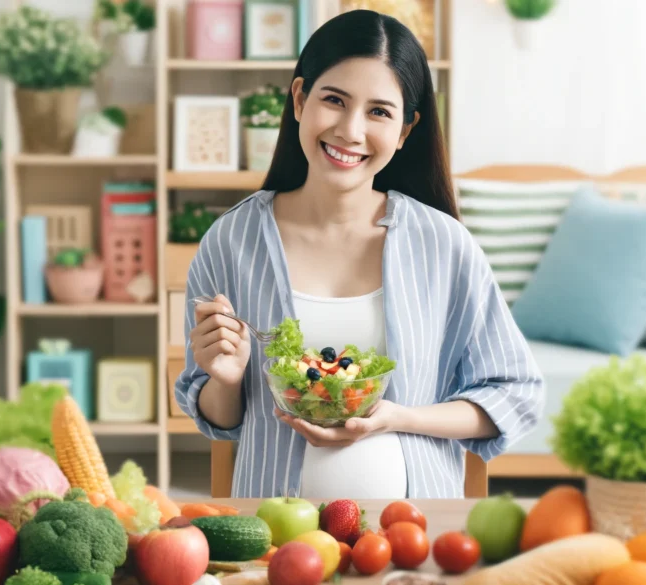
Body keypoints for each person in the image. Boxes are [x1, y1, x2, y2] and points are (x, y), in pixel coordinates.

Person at [174, 9, 545, 499]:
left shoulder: (443, 244)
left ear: (405, 130)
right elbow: (220, 419)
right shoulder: (231, 242)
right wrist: (225, 379)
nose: (351, 130)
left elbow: (513, 391)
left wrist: (400, 418)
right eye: (334, 100)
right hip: (275, 540)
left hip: (414, 540)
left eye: (379, 112)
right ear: (301, 98)